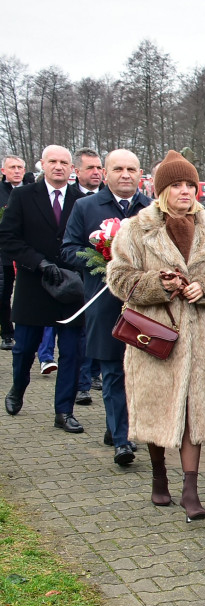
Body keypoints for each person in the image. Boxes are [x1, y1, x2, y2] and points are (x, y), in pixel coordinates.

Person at [106, 150, 205, 521]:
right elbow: (118, 278)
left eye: (189, 185)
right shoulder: (137, 228)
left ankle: (190, 491)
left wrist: (204, 287)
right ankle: (159, 476)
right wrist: (156, 284)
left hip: (200, 338)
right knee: (159, 411)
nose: (185, 191)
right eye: (176, 185)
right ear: (162, 190)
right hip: (154, 338)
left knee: (194, 414)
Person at [62, 149, 152, 466]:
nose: (125, 174)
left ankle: (120, 427)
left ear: (140, 173)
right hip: (104, 303)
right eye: (118, 169)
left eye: (131, 168)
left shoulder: (152, 210)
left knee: (139, 372)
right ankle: (121, 440)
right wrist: (102, 259)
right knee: (113, 370)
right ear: (106, 172)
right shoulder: (86, 207)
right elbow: (69, 249)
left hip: (145, 305)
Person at [0, 145, 86, 431]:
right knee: (24, 348)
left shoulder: (81, 200)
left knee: (72, 352)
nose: (58, 167)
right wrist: (38, 263)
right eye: (53, 161)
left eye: (64, 162)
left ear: (72, 168)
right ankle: (17, 388)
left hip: (70, 287)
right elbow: (9, 239)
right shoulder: (23, 196)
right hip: (34, 284)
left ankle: (64, 411)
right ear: (42, 164)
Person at [71, 147, 105, 405]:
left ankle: (93, 375)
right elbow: (69, 246)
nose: (96, 172)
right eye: (90, 168)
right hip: (79, 278)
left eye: (98, 168)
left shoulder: (110, 199)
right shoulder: (77, 202)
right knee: (83, 333)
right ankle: (82, 383)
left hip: (115, 285)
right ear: (77, 171)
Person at [0, 154, 32, 351]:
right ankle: (7, 333)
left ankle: (26, 332)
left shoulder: (30, 191)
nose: (17, 171)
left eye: (20, 167)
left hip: (27, 251)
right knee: (4, 294)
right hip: (4, 253)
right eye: (12, 167)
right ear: (4, 171)